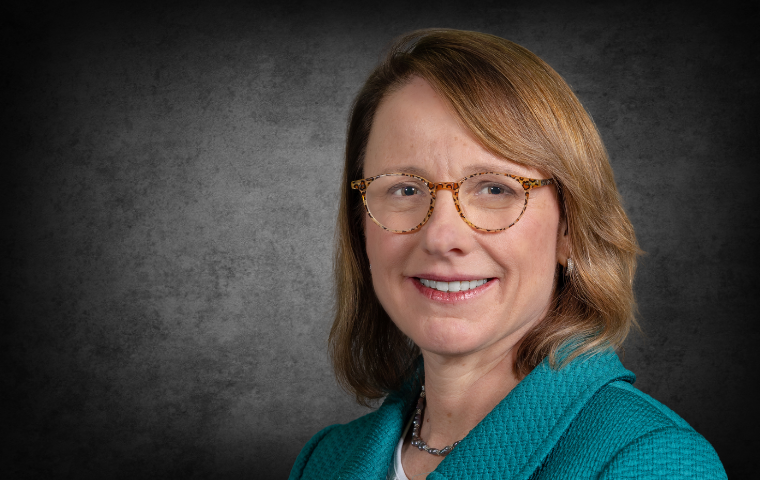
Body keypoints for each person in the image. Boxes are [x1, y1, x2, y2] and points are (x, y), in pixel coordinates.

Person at [289, 29, 726, 479]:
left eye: (495, 188)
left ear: (569, 229)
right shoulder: (324, 461)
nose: (441, 237)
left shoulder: (651, 461)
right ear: (359, 225)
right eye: (404, 188)